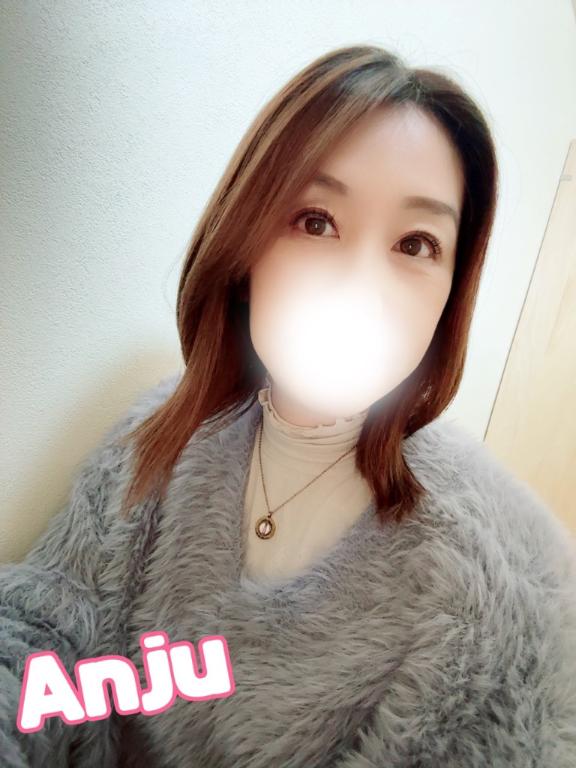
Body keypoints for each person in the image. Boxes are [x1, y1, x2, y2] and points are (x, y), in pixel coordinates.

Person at [2, 44, 575, 767]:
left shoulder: (512, 583)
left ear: (450, 295)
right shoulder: (158, 437)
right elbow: (45, 633)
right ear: (244, 251)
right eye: (315, 220)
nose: (360, 285)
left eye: (415, 243)